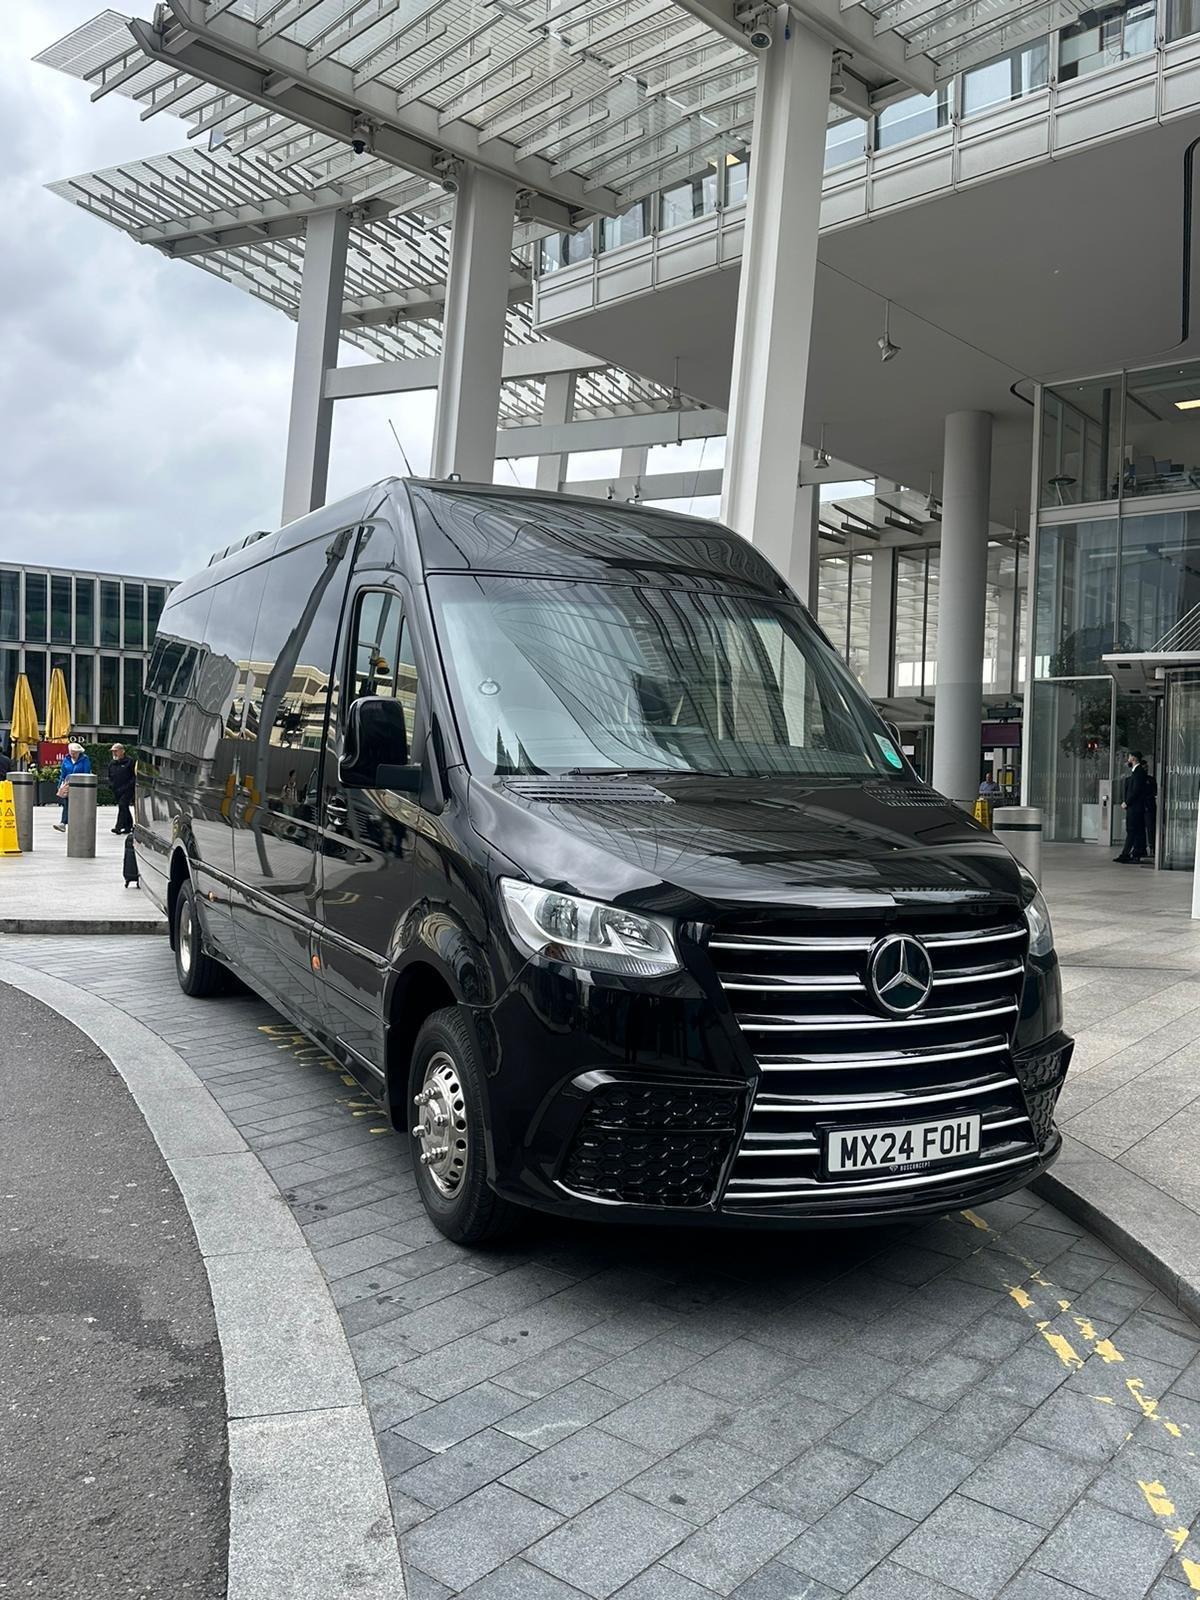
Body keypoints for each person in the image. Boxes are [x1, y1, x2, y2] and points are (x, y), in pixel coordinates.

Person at [1115, 750, 1149, 863]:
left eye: (1129, 757)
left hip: (1135, 808)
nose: (1128, 759)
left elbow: (1136, 791)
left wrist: (1127, 802)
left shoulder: (1139, 772)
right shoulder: (1137, 772)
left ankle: (1126, 854)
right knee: (1137, 831)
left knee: (1131, 830)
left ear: (1134, 758)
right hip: (1135, 807)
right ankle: (1136, 853)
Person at [53, 741, 91, 833]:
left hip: (79, 786)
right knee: (66, 804)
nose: (73, 754)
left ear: (79, 752)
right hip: (68, 785)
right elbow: (63, 774)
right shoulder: (66, 760)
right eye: (71, 752)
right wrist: (60, 786)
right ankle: (63, 823)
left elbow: (87, 773)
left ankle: (78, 823)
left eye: (74, 753)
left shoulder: (85, 759)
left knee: (78, 806)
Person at [107, 743, 135, 835]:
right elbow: (110, 776)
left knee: (122, 805)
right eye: (113, 751)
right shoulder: (112, 763)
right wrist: (111, 785)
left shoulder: (130, 761)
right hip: (117, 790)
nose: (114, 753)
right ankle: (128, 826)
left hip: (128, 789)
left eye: (116, 751)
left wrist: (128, 786)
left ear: (122, 751)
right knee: (124, 807)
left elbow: (134, 777)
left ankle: (118, 827)